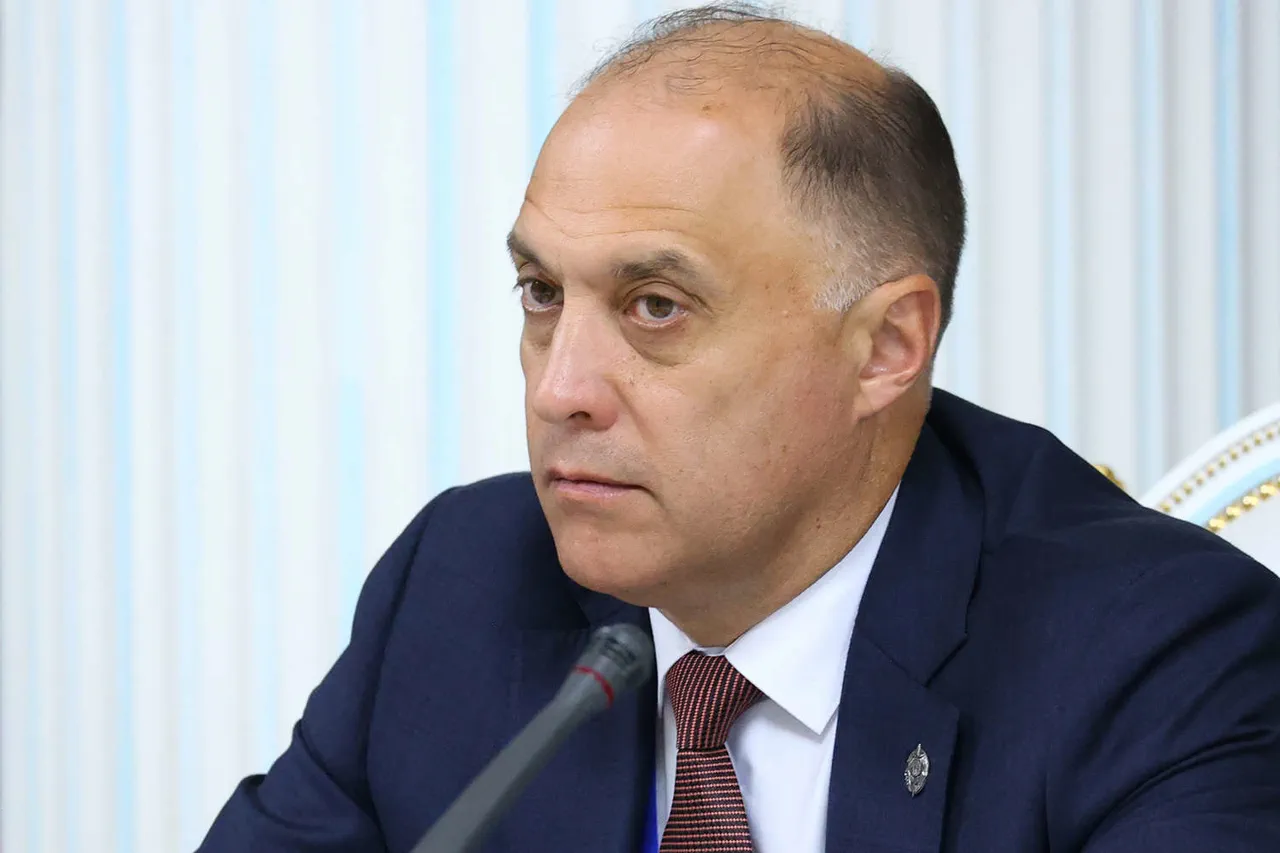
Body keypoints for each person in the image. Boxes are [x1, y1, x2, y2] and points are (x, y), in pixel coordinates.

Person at [198, 5, 1280, 852]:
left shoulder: (1159, 654)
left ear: (885, 345)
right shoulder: (461, 586)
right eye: (541, 294)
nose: (559, 388)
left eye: (655, 307)